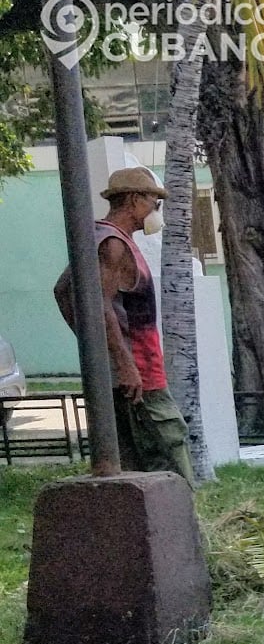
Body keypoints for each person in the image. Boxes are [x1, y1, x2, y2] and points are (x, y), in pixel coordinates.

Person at [53, 167, 194, 485]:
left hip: (125, 374)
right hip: (139, 375)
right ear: (134, 200)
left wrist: (97, 349)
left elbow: (63, 292)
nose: (156, 211)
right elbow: (99, 303)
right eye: (154, 202)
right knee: (171, 453)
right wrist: (124, 363)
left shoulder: (100, 238)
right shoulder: (113, 245)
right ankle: (183, 524)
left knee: (132, 462)